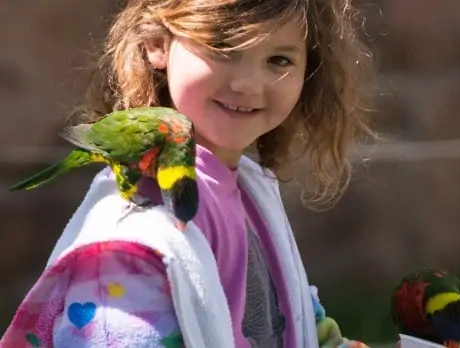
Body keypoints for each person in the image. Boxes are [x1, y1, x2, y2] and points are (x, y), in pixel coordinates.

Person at [1, 0, 377, 346]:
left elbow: (299, 326)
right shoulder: (134, 240)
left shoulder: (248, 187)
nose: (248, 84)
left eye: (279, 60)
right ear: (158, 44)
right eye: (224, 48)